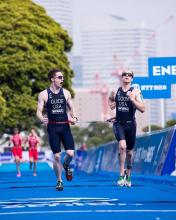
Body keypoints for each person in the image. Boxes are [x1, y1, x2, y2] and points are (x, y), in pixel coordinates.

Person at [36, 68, 77, 191]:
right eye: (59, 77)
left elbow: (71, 109)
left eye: (62, 77)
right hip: (53, 128)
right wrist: (41, 118)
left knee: (70, 154)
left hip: (65, 127)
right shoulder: (43, 94)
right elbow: (38, 111)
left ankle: (66, 165)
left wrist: (74, 117)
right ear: (52, 79)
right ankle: (59, 181)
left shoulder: (66, 93)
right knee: (57, 156)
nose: (62, 79)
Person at [108, 70, 145, 187]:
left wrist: (133, 100)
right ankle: (121, 174)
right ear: (121, 78)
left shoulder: (136, 92)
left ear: (132, 79)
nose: (127, 76)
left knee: (129, 153)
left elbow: (143, 109)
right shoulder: (116, 91)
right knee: (122, 146)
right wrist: (111, 105)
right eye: (125, 75)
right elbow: (110, 99)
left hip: (131, 125)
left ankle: (128, 175)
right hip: (119, 123)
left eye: (129, 75)